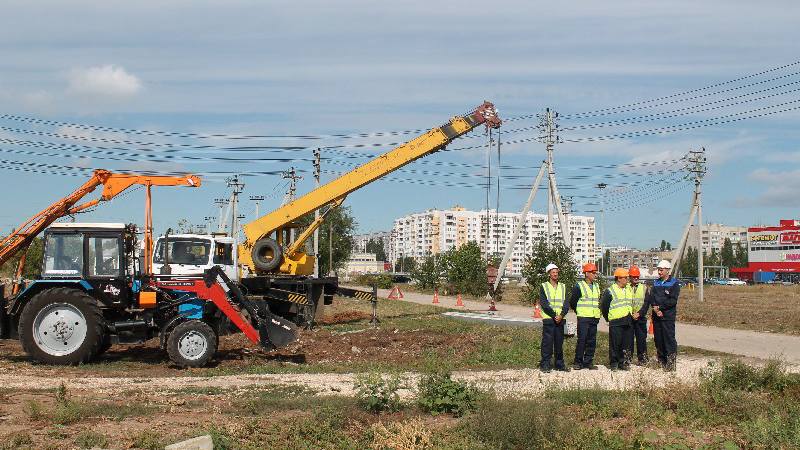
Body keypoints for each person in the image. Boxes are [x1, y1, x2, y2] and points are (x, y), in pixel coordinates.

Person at [569, 263, 601, 370]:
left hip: (594, 317)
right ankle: (578, 362)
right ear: (586, 274)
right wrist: (578, 311)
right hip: (583, 317)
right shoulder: (579, 286)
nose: (595, 274)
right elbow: (573, 301)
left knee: (592, 340)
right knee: (582, 340)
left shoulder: (596, 286)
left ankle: (588, 361)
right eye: (593, 272)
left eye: (595, 272)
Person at [601, 268, 634, 371]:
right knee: (615, 343)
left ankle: (623, 362)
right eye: (625, 277)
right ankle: (614, 363)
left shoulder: (628, 289)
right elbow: (604, 306)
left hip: (627, 319)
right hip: (616, 320)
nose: (627, 279)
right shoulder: (610, 291)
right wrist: (608, 318)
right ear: (619, 278)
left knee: (626, 343)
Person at [539, 263, 570, 372]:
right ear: (549, 274)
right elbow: (544, 304)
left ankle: (559, 364)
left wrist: (561, 315)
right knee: (547, 343)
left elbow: (566, 304)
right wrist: (554, 315)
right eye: (553, 272)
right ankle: (545, 364)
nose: (555, 274)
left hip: (560, 320)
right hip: (549, 319)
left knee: (559, 343)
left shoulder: (563, 286)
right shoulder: (544, 286)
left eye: (557, 272)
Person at [651, 259, 680, 371]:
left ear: (668, 271)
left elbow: (673, 300)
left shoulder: (674, 283)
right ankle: (661, 361)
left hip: (667, 316)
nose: (659, 272)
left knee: (669, 339)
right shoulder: (656, 283)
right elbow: (652, 297)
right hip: (657, 316)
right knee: (658, 339)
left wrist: (661, 307)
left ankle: (671, 363)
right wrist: (655, 308)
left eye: (661, 270)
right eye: (658, 270)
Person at [627, 265, 649, 365]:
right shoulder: (625, 288)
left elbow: (646, 303)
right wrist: (630, 314)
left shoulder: (643, 288)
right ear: (630, 277)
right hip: (629, 317)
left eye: (637, 276)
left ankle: (642, 358)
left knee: (641, 339)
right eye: (634, 276)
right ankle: (628, 358)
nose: (636, 278)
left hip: (640, 318)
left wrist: (639, 314)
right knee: (628, 340)